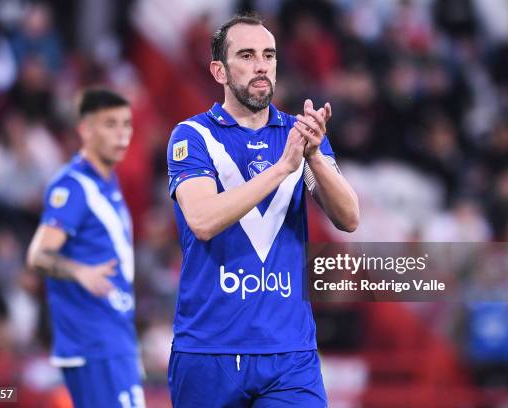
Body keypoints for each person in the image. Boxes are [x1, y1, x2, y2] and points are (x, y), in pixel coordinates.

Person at [166, 14, 359, 407]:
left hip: (290, 354)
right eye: (247, 55)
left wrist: (315, 157)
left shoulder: (300, 134)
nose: (261, 65)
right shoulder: (192, 135)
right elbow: (202, 221)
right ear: (219, 71)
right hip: (209, 351)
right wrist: (284, 167)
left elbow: (349, 217)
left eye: (269, 55)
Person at [26, 89, 145, 408]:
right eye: (110, 124)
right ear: (85, 130)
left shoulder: (108, 182)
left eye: (126, 124)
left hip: (115, 334)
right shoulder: (73, 185)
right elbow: (38, 254)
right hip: (93, 340)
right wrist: (80, 271)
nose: (122, 134)